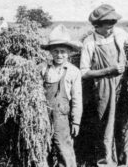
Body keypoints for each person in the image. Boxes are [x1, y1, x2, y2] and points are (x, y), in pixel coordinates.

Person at [80, 4, 128, 167]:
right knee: (105, 127)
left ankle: (124, 162)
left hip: (122, 86)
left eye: (113, 23)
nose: (111, 27)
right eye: (107, 24)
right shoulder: (90, 42)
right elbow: (84, 72)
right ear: (97, 25)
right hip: (102, 89)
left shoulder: (121, 35)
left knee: (123, 124)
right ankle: (106, 163)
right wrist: (109, 70)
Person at [40, 24, 83, 167]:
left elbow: (77, 99)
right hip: (43, 115)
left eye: (63, 51)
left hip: (62, 117)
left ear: (69, 52)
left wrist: (76, 121)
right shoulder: (43, 68)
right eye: (56, 51)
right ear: (51, 52)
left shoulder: (73, 71)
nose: (59, 55)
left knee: (64, 148)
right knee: (42, 147)